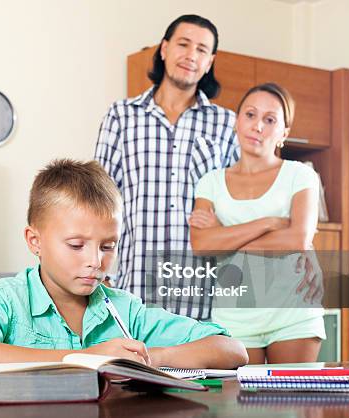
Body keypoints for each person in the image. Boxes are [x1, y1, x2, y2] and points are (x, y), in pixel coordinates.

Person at [0, 159, 248, 369]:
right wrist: (83, 358)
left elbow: (232, 349)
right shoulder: (3, 299)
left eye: (108, 246)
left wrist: (152, 357)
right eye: (76, 245)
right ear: (35, 241)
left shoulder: (126, 311)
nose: (95, 261)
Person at [94, 14, 239, 320]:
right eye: (183, 44)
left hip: (203, 291)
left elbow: (239, 202)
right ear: (164, 49)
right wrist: (99, 267)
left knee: (203, 370)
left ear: (210, 61)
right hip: (135, 287)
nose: (191, 55)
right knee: (134, 368)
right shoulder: (122, 116)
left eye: (202, 50)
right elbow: (99, 201)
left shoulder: (226, 124)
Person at [189, 83, 326, 364]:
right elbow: (201, 245)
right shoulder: (210, 183)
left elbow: (297, 239)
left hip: (293, 309)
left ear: (283, 133)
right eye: (250, 115)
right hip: (234, 315)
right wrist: (269, 222)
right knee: (237, 406)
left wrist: (224, 238)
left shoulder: (300, 176)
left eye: (270, 119)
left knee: (293, 404)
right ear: (237, 121)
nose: (258, 126)